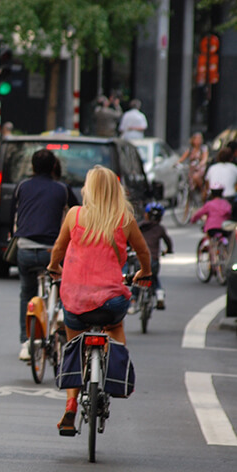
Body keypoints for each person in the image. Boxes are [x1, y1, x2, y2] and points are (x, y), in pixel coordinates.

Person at [47, 166, 151, 435]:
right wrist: (145, 272)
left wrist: (54, 266)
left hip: (75, 302)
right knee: (115, 328)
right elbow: (143, 251)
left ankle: (71, 402)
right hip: (111, 302)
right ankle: (115, 374)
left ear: (88, 189)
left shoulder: (75, 215)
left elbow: (59, 248)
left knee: (73, 341)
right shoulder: (124, 219)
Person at [11, 149, 79, 360]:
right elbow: (78, 214)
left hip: (25, 249)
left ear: (32, 166)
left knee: (26, 292)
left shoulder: (22, 186)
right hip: (52, 251)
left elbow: (13, 213)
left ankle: (26, 342)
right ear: (53, 167)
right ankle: (58, 314)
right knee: (61, 285)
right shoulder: (62, 189)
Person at [139, 202, 173, 310]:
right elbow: (168, 242)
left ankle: (134, 298)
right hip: (153, 260)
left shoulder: (139, 226)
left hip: (139, 260)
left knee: (137, 279)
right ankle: (159, 295)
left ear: (146, 215)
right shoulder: (160, 229)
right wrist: (169, 250)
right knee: (154, 278)